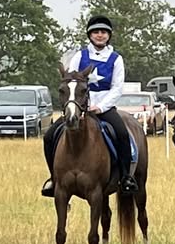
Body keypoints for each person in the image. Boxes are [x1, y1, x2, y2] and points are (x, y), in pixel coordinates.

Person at [41, 15, 138, 197]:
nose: (100, 35)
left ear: (109, 35)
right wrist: (77, 106)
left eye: (103, 32)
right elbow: (70, 79)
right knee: (49, 137)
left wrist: (100, 107)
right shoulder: (80, 56)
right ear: (90, 35)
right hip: (78, 108)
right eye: (96, 32)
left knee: (122, 134)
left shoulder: (116, 59)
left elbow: (117, 88)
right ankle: (54, 179)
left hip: (104, 108)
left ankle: (126, 177)